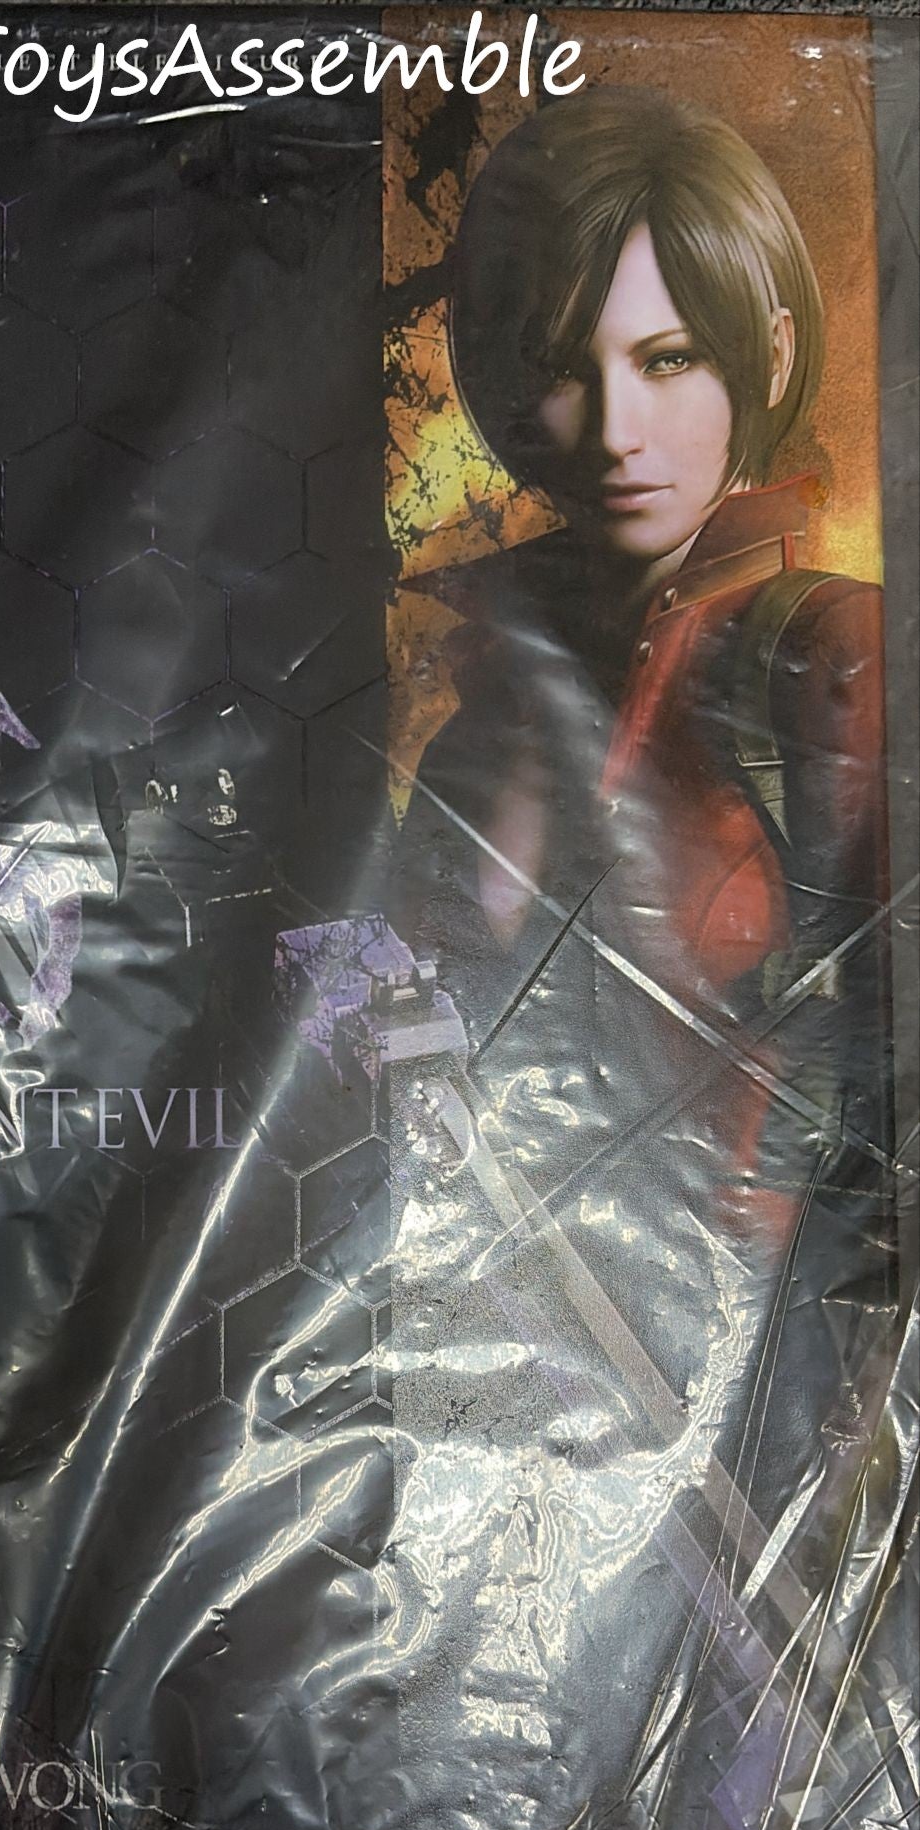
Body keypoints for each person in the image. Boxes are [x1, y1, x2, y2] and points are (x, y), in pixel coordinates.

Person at [396, 86, 889, 1257]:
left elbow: (884, 1051)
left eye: (669, 360)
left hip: (753, 1310)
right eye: (570, 366)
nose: (619, 428)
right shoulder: (488, 707)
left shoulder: (839, 659)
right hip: (497, 1297)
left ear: (770, 355)